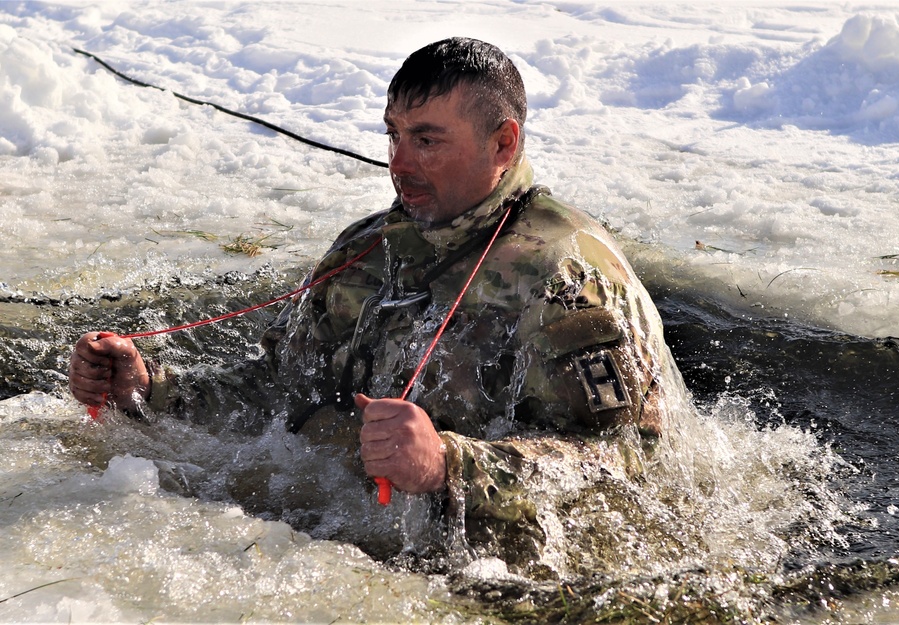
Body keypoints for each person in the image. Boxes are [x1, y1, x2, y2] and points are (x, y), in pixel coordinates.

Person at [68, 37, 691, 577]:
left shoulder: (564, 272)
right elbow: (283, 385)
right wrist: (153, 393)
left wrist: (452, 464)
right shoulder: (368, 248)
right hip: (350, 537)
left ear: (503, 143)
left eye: (427, 140)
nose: (399, 164)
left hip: (499, 568)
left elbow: (630, 466)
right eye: (393, 135)